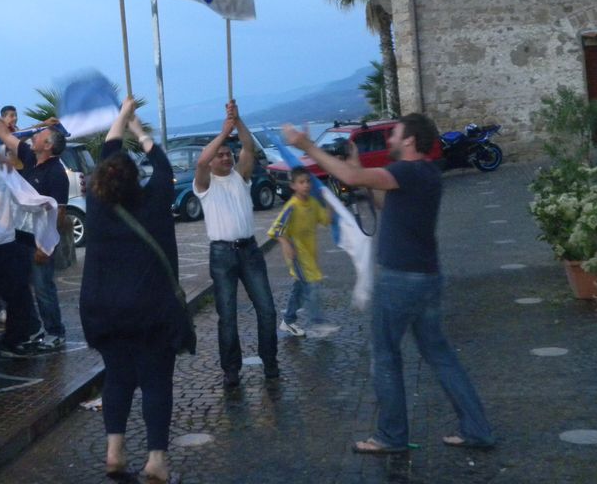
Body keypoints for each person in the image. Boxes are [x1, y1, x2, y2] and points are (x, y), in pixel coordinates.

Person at [283, 113, 495, 453]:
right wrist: (362, 174)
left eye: (395, 134)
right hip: (427, 277)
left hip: (399, 278)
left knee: (385, 356)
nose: (390, 139)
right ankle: (477, 429)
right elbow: (385, 202)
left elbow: (350, 177)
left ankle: (391, 436)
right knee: (440, 355)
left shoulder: (406, 171)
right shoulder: (427, 173)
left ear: (409, 140)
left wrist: (306, 145)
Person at [80, 97, 181, 484]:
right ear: (135, 177)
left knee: (118, 377)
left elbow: (109, 149)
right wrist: (139, 127)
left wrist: (121, 117)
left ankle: (114, 452)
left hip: (103, 310)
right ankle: (155, 461)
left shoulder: (95, 204)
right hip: (149, 309)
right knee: (155, 381)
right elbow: (163, 167)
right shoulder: (154, 200)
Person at [0, 88, 69, 351]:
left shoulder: (56, 173)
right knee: (20, 288)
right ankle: (34, 328)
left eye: (40, 136)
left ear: (48, 146)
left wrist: (46, 246)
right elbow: (5, 135)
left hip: (39, 241)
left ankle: (55, 331)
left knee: (43, 288)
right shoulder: (29, 158)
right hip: (20, 237)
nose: (35, 136)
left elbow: (59, 213)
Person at [194, 100, 278, 387]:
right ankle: (231, 369)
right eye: (220, 155)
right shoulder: (204, 184)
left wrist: (237, 121)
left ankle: (270, 361)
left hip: (250, 250)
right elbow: (201, 162)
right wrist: (222, 134)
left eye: (228, 153)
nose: (225, 158)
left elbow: (249, 147)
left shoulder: (241, 176)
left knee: (266, 309)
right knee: (227, 315)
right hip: (221, 255)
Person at [266, 167, 339, 339]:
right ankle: (318, 322)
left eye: (308, 181)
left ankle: (288, 320)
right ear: (293, 186)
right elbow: (275, 230)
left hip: (310, 254)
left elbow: (326, 219)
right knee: (311, 285)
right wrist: (285, 244)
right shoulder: (291, 206)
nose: (306, 185)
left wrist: (330, 202)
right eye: (301, 182)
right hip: (297, 254)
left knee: (299, 288)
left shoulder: (313, 203)